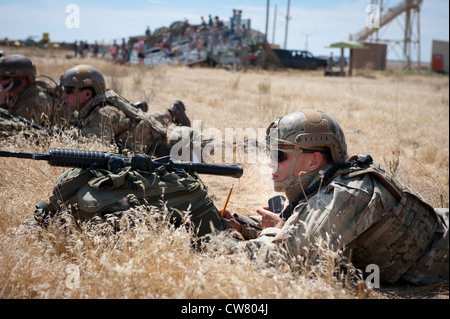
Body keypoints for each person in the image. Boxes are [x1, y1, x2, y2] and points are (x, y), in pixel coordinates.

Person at [223, 109, 449, 285]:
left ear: (313, 161)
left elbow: (282, 260)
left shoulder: (343, 196)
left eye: (278, 154)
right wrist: (241, 226)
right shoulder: (322, 184)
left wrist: (219, 241)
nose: (270, 162)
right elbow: (298, 229)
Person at [59, 64, 194, 156]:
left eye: (69, 91)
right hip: (143, 133)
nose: (64, 95)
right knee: (149, 118)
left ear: (87, 94)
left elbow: (96, 151)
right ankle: (173, 111)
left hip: (157, 146)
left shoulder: (100, 115)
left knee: (152, 121)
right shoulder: (91, 110)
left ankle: (173, 112)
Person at [0, 54, 61, 127]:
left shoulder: (35, 100)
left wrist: (2, 104)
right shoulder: (10, 94)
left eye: (4, 77)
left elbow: (15, 129)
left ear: (22, 79)